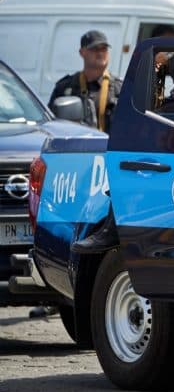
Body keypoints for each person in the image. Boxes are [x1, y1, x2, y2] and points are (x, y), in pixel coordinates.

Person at [48, 31, 123, 255]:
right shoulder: (66, 87)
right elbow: (53, 129)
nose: (101, 53)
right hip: (76, 165)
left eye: (104, 48)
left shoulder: (119, 88)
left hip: (106, 165)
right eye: (94, 49)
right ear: (82, 52)